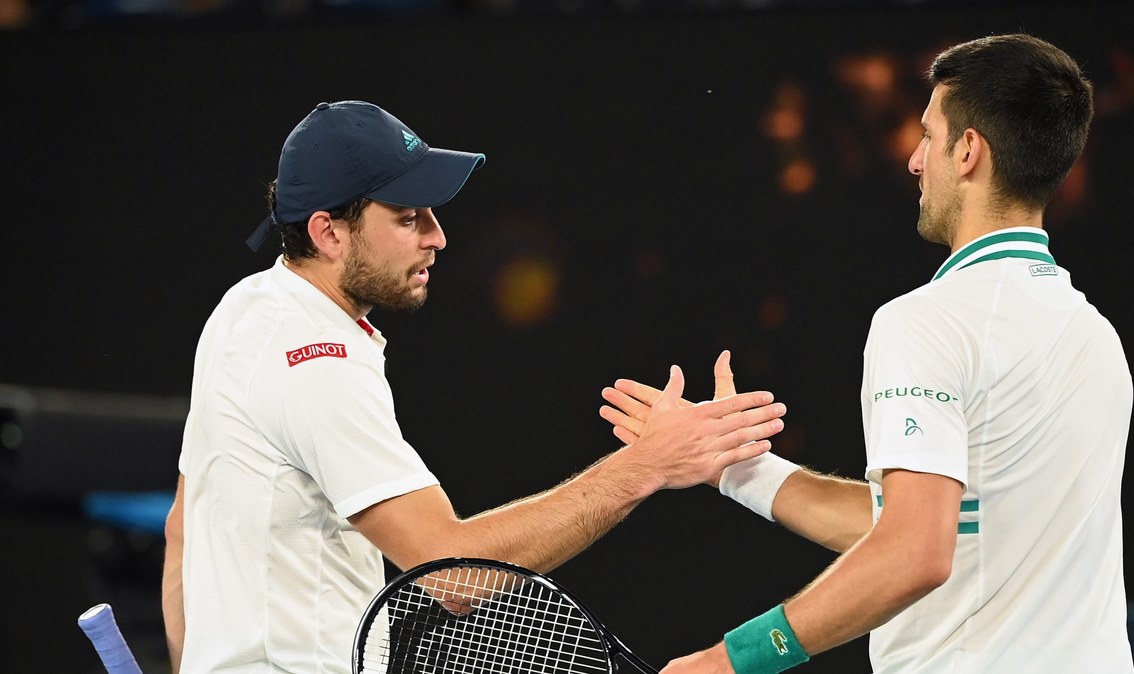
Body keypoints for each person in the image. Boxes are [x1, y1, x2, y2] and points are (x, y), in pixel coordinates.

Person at [161, 99, 789, 674]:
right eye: (408, 218)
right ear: (328, 233)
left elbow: (181, 533)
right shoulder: (313, 363)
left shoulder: (247, 309)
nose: (436, 236)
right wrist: (647, 465)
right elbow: (453, 573)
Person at [601, 34, 1134, 673]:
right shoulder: (1096, 335)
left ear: (968, 151)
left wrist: (730, 661)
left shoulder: (924, 323)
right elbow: (938, 529)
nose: (914, 161)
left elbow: (914, 551)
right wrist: (736, 469)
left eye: (928, 137)